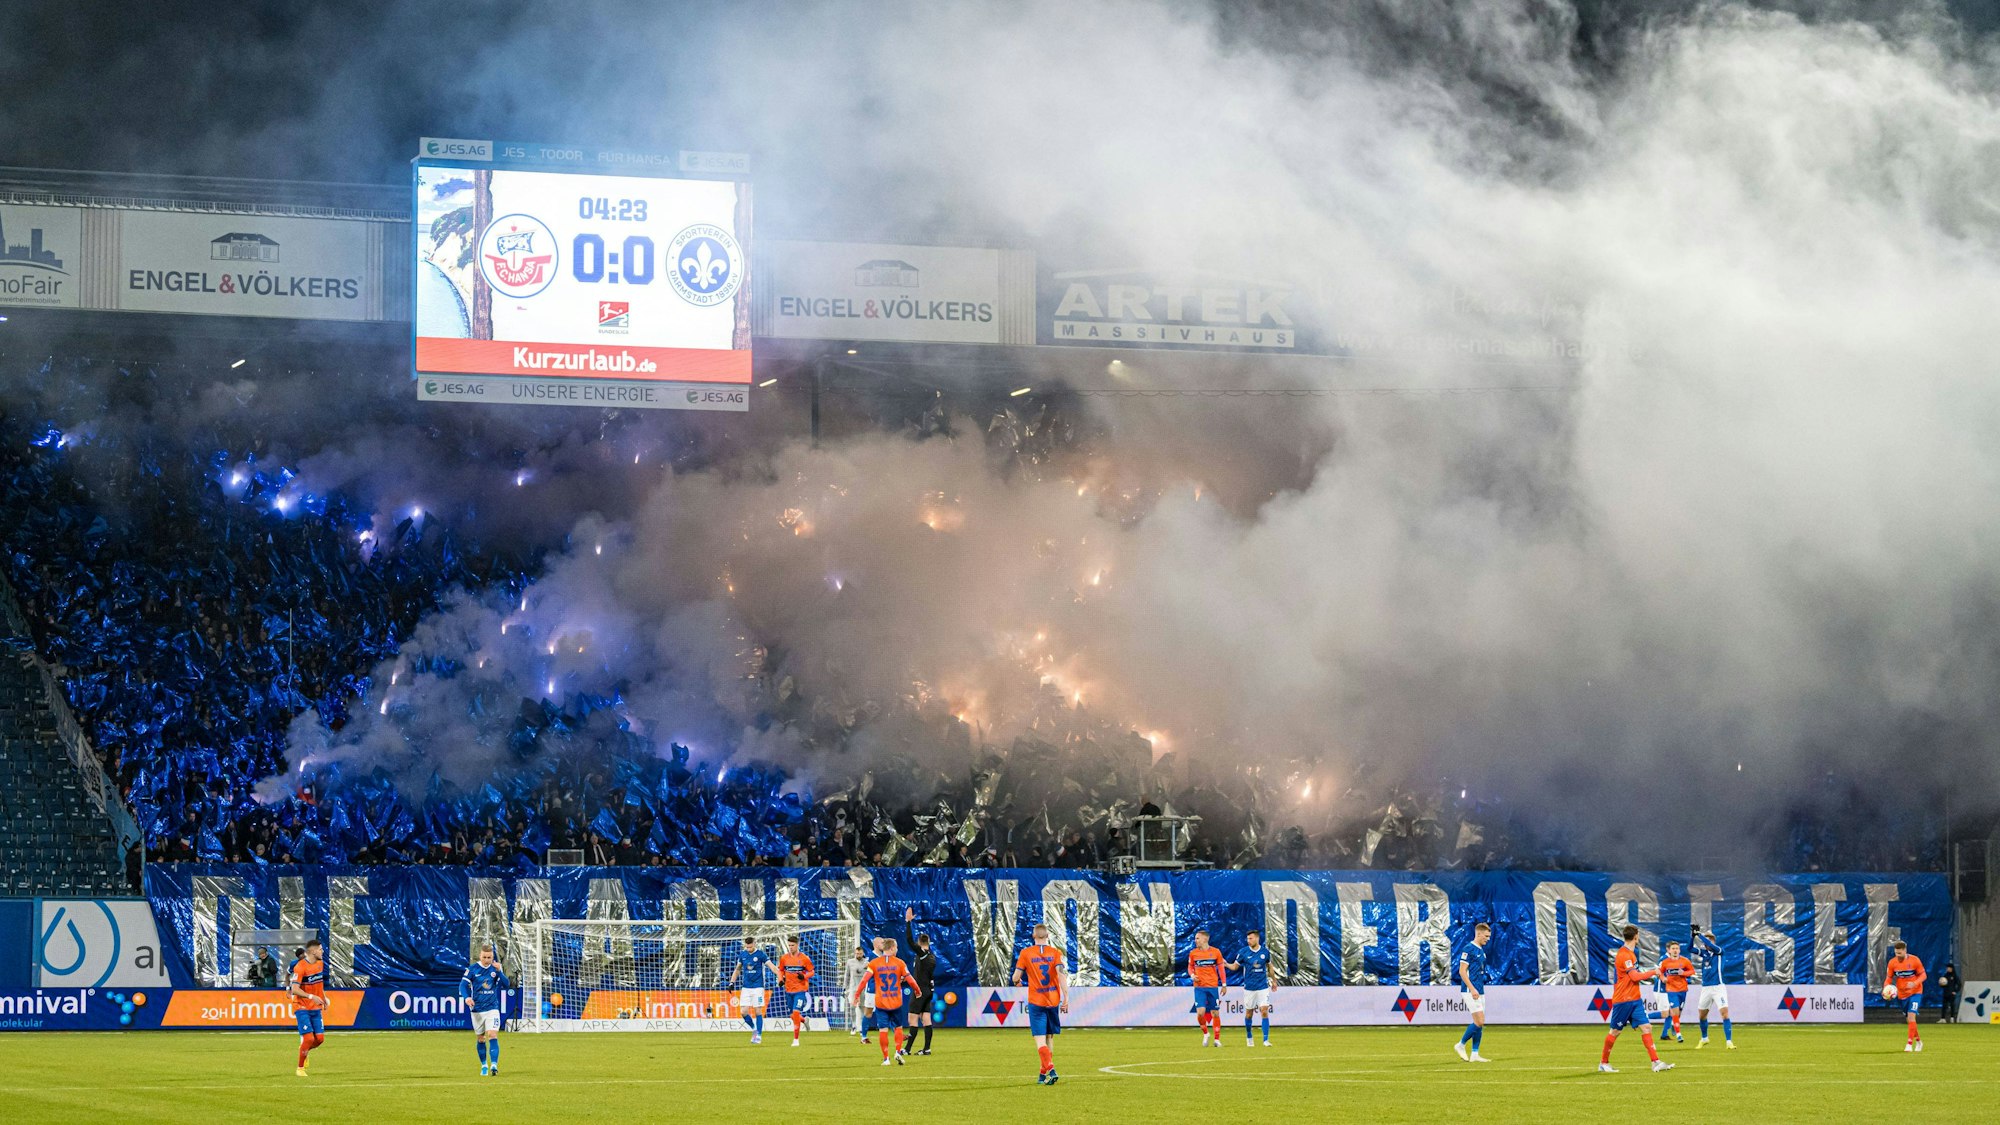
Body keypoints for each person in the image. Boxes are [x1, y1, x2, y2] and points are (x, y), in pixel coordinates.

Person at [1600, 925, 1672, 1074]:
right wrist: (1654, 972)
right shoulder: (1625, 955)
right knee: (1615, 1031)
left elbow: (1633, 975)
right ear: (1636, 937)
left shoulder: (1631, 954)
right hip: (1623, 1000)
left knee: (1647, 1027)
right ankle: (1603, 1063)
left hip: (1635, 999)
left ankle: (1655, 1062)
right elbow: (1634, 977)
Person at [1013, 922, 1067, 1085]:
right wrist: (1066, 997)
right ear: (1048, 936)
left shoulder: (1026, 953)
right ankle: (1042, 1074)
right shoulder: (1055, 953)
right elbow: (1061, 975)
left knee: (1040, 1039)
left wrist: (1017, 982)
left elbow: (1016, 976)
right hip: (1052, 1000)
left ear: (1033, 936)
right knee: (1050, 1037)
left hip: (1037, 1000)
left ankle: (1050, 1068)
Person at [852, 937, 919, 1066]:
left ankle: (886, 1059)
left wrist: (856, 994)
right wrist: (917, 990)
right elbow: (910, 980)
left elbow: (864, 981)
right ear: (892, 948)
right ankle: (898, 1052)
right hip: (895, 1001)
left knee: (883, 1030)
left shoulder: (874, 963)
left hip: (881, 1002)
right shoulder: (900, 963)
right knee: (898, 1028)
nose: (897, 949)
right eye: (897, 947)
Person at [460, 943, 511, 1076]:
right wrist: (466, 998)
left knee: (492, 1035)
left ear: (492, 956)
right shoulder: (472, 969)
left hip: (492, 1008)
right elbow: (462, 986)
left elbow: (507, 985)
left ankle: (494, 1065)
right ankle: (484, 1065)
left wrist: (500, 971)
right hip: (477, 1009)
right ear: (480, 956)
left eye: (489, 957)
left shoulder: (495, 969)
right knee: (481, 1038)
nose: (487, 960)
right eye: (484, 957)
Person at [1227, 929, 1275, 1047]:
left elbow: (1270, 967)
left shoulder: (1265, 952)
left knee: (1264, 1011)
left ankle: (1265, 1040)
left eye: (1251, 938)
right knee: (1249, 1014)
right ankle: (1249, 1036)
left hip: (1262, 987)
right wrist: (1225, 964)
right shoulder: (1243, 952)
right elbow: (1234, 967)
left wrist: (1274, 981)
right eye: (1248, 938)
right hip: (1249, 988)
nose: (1249, 941)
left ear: (1257, 938)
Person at [1454, 921, 1493, 1062]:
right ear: (1479, 933)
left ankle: (1475, 1054)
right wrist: (1472, 988)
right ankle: (1460, 1044)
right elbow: (1462, 971)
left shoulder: (1481, 951)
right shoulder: (1468, 949)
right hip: (1470, 990)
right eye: (1486, 936)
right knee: (1480, 1020)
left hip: (1479, 989)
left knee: (1480, 1022)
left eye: (1489, 936)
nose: (1488, 939)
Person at [1690, 924, 1734, 1049]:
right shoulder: (1704, 954)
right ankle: (1704, 1038)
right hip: (1706, 988)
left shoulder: (1720, 951)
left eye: (1710, 941)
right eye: (1706, 941)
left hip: (1718, 987)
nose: (1708, 943)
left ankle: (1729, 1042)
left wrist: (1699, 934)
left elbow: (1711, 945)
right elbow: (1689, 948)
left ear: (1714, 942)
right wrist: (1693, 936)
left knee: (1724, 1013)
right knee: (1702, 1015)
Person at [288, 938, 328, 1077]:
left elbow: (319, 984)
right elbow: (294, 989)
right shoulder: (300, 967)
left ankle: (304, 1049)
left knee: (320, 1039)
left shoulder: (320, 964)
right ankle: (300, 1068)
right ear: (313, 951)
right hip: (301, 1006)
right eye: (320, 949)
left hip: (315, 1007)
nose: (322, 951)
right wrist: (311, 997)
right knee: (309, 1038)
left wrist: (324, 998)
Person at [904, 907, 938, 1056]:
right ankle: (927, 1049)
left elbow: (909, 941)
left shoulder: (922, 954)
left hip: (919, 991)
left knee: (912, 1019)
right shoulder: (932, 955)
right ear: (929, 942)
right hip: (929, 990)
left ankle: (907, 1049)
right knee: (926, 1018)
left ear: (920, 943)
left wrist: (908, 923)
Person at [729, 936, 773, 1044]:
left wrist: (781, 976)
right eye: (747, 947)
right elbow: (737, 969)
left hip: (758, 986)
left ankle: (759, 1035)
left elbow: (772, 966)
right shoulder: (743, 955)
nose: (749, 949)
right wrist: (731, 982)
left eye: (750, 947)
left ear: (754, 944)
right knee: (743, 1012)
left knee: (758, 1010)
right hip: (746, 987)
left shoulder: (761, 954)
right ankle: (754, 1028)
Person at [1188, 929, 1227, 1047]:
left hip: (1212, 987)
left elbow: (1221, 969)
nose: (1195, 940)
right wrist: (1192, 976)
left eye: (1197, 938)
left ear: (1205, 939)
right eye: (1195, 938)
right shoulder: (1193, 953)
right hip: (1199, 987)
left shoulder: (1216, 952)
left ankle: (1217, 1039)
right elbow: (1190, 967)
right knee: (1200, 1013)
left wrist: (1224, 984)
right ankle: (1205, 1033)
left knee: (1215, 1012)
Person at [1885, 940, 1926, 1052]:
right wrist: (1886, 988)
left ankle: (1909, 1044)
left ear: (1905, 950)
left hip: (1916, 992)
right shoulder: (1892, 963)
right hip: (1902, 995)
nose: (1898, 955)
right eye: (1896, 953)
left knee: (1912, 1016)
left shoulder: (1914, 960)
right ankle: (1918, 1041)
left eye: (1900, 953)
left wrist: (1915, 983)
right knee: (1910, 1020)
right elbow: (1889, 978)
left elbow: (1923, 975)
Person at [776, 936, 815, 1047]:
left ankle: (796, 1039)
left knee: (796, 1012)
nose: (791, 947)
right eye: (789, 945)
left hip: (800, 990)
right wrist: (780, 979)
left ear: (797, 945)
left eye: (792, 945)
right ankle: (804, 1020)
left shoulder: (804, 958)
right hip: (788, 990)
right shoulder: (784, 958)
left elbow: (812, 972)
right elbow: (781, 970)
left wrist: (804, 976)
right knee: (793, 1015)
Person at [1656, 940, 1695, 1044]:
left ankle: (1674, 1024)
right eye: (1673, 949)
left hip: (1683, 990)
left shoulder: (1685, 961)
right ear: (1669, 950)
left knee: (1678, 1013)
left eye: (1677, 949)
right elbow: (1659, 972)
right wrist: (1663, 978)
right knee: (1675, 1011)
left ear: (1679, 950)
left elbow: (1692, 971)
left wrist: (1684, 973)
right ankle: (1679, 1035)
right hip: (1671, 990)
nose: (1675, 950)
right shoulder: (1665, 962)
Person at [843, 943, 872, 1039]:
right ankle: (854, 1025)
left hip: (863, 989)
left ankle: (861, 1028)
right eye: (856, 954)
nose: (858, 955)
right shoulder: (850, 962)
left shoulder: (867, 962)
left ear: (863, 953)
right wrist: (844, 987)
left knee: (862, 1008)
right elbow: (847, 975)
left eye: (860, 953)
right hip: (853, 988)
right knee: (852, 1007)